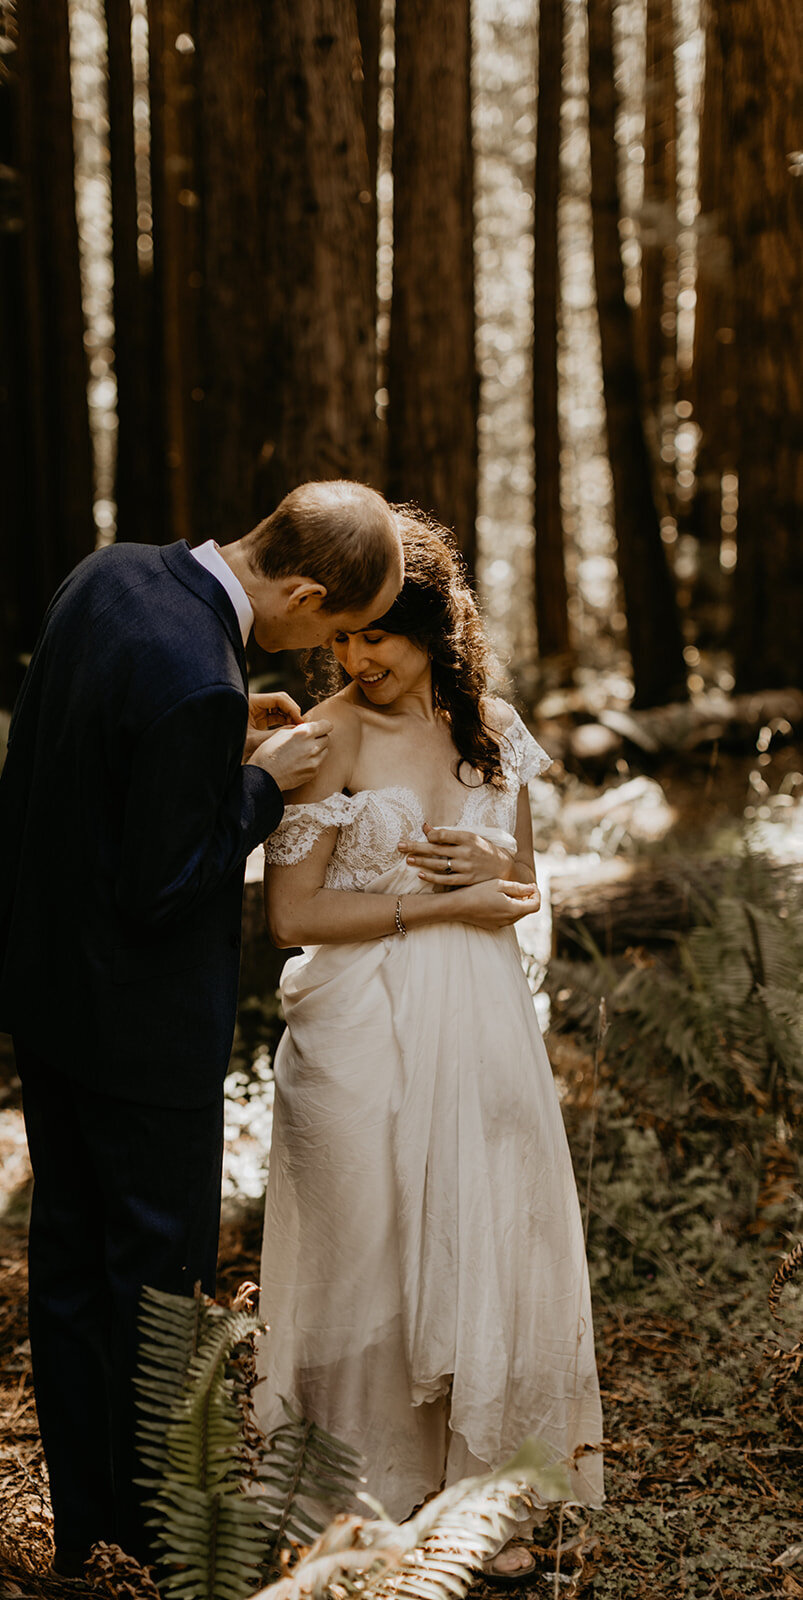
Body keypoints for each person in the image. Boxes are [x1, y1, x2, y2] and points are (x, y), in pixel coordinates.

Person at [0, 480, 403, 1574]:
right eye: (330, 628)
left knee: (66, 1270)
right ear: (300, 590)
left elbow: (92, 763)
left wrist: (214, 749)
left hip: (48, 992)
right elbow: (165, 887)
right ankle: (162, 1548)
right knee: (158, 1294)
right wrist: (254, 788)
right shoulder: (200, 674)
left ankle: (86, 1538)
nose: (326, 652)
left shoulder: (111, 572)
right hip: (141, 1035)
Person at [256, 509, 603, 1583]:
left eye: (376, 638)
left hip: (481, 1023)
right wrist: (426, 906)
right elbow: (291, 916)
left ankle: (471, 1510)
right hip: (358, 1025)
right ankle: (350, 1511)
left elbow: (524, 890)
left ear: (433, 629)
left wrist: (480, 883)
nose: (354, 658)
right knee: (364, 1254)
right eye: (344, 641)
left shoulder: (492, 726)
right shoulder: (329, 736)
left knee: (475, 1235)